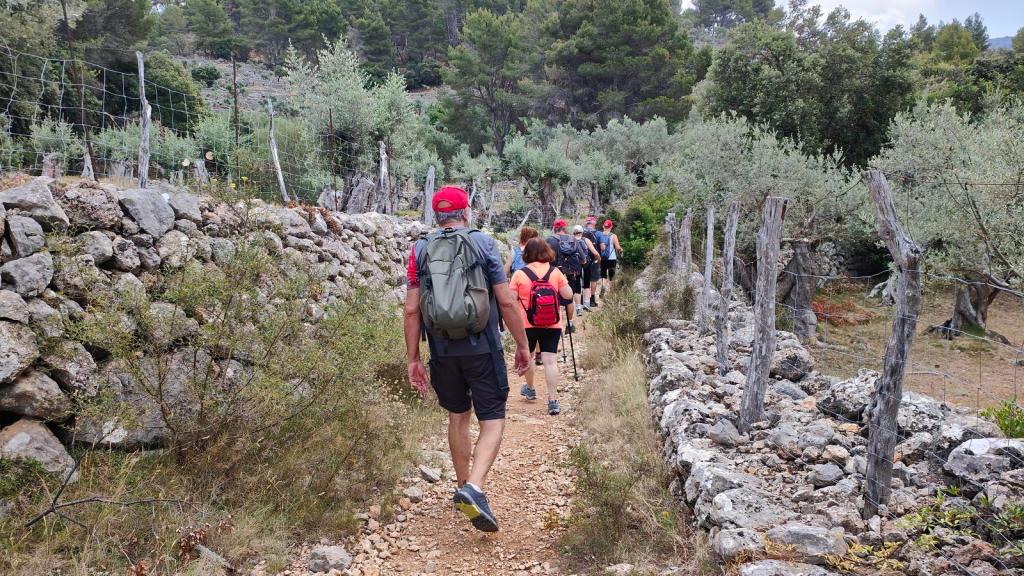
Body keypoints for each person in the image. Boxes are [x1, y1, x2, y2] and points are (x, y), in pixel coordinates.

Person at [405, 186, 531, 533]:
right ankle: (474, 488)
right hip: (482, 347)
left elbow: (412, 308)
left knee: (457, 416)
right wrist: (522, 344)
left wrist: (413, 358)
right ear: (467, 212)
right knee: (492, 417)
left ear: (436, 215)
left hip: (442, 350)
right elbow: (505, 302)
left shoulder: (419, 249)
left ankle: (463, 487)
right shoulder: (484, 244)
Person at [509, 238, 575, 415]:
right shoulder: (555, 272)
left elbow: (510, 301)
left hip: (526, 324)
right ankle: (553, 400)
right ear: (547, 251)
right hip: (552, 323)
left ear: (526, 254)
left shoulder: (519, 274)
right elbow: (568, 295)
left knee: (529, 357)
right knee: (550, 361)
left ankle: (530, 389)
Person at [546, 220, 587, 317]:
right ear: (565, 228)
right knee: (569, 299)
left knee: (554, 298)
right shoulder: (573, 239)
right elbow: (583, 259)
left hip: (553, 273)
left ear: (554, 228)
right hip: (571, 273)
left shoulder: (548, 241)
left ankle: (557, 321)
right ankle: (570, 324)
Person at [581, 216, 602, 309]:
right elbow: (602, 247)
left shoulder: (580, 233)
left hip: (582, 260)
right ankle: (592, 299)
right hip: (595, 259)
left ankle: (583, 299)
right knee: (593, 280)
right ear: (594, 223)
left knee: (583, 279)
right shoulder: (599, 234)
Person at [599, 219, 622, 295]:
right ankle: (611, 292)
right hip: (611, 258)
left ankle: (603, 286)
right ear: (611, 226)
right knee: (611, 276)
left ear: (603, 226)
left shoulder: (600, 235)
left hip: (603, 258)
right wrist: (621, 249)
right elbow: (618, 248)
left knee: (603, 274)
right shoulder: (613, 236)